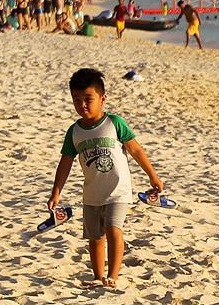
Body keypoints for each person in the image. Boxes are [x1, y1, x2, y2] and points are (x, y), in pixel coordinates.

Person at [47, 69, 163, 288]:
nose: (82, 105)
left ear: (102, 99)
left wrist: (152, 176)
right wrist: (56, 192)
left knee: (113, 228)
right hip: (92, 194)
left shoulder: (114, 123)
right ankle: (98, 277)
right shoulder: (74, 132)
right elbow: (65, 163)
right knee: (95, 238)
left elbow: (136, 150)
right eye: (77, 100)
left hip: (118, 191)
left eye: (88, 99)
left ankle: (113, 276)